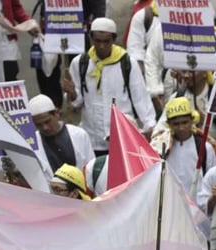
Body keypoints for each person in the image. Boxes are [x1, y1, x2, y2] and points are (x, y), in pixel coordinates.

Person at [63, 18, 156, 155]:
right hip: (92, 138)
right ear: (91, 38)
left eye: (106, 41)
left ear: (113, 40)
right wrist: (72, 93)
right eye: (97, 41)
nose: (101, 46)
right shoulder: (80, 63)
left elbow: (140, 97)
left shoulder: (128, 63)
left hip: (122, 137)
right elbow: (78, 102)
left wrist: (150, 127)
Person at [151, 97, 216, 197]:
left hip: (198, 207)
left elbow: (212, 179)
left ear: (191, 121)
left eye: (184, 122)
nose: (181, 128)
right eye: (176, 124)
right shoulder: (161, 148)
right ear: (169, 124)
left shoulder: (205, 148)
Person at [29, 94, 94, 172]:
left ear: (57, 113)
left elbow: (91, 166)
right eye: (38, 125)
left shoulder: (79, 135)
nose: (44, 128)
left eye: (47, 122)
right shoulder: (32, 144)